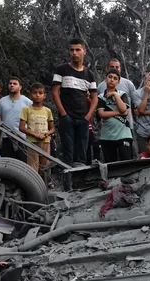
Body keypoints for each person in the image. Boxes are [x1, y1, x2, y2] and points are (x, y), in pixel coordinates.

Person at [52, 38, 98, 183]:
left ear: (84, 51)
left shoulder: (89, 74)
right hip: (67, 117)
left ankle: (82, 184)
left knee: (82, 153)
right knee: (68, 152)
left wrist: (88, 116)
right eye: (72, 50)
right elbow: (54, 93)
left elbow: (95, 98)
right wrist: (63, 114)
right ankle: (68, 185)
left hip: (83, 118)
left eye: (77, 50)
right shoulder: (61, 69)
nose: (74, 53)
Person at [19, 82, 55, 177]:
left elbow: (52, 128)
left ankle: (46, 184)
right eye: (35, 92)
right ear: (31, 94)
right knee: (32, 166)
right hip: (31, 142)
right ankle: (33, 187)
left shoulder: (47, 111)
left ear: (44, 95)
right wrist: (35, 135)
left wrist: (47, 133)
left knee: (45, 165)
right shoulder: (26, 109)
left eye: (40, 93)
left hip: (45, 141)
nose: (37, 95)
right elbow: (21, 127)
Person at [97, 69, 133, 163]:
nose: (112, 80)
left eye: (115, 78)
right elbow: (101, 114)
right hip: (107, 135)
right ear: (105, 79)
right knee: (110, 164)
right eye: (110, 77)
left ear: (118, 81)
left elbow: (123, 109)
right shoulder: (100, 97)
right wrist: (119, 113)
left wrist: (115, 94)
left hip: (123, 133)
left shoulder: (122, 94)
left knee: (126, 161)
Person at [0, 77, 32, 162]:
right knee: (6, 163)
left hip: (22, 138)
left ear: (20, 87)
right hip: (6, 137)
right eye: (10, 83)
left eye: (15, 84)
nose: (11, 85)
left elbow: (32, 119)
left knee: (22, 163)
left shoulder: (27, 102)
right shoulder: (2, 101)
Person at [96, 59, 138, 128]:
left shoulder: (128, 84)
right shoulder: (100, 86)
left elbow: (135, 105)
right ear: (107, 68)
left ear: (120, 68)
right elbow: (98, 109)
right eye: (112, 67)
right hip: (107, 127)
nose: (115, 69)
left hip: (126, 126)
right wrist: (99, 121)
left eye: (117, 67)